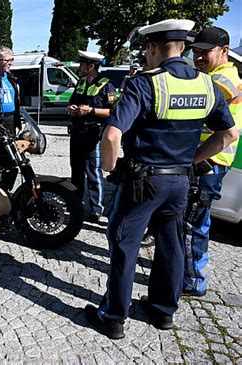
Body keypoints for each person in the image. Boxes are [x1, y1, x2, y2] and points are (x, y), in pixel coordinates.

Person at [83, 19, 238, 340]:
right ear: (182, 47)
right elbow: (227, 135)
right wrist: (191, 160)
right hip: (181, 182)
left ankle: (113, 316)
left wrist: (111, 170)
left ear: (152, 48)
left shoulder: (146, 84)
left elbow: (112, 135)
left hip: (142, 182)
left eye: (146, 50)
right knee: (172, 244)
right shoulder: (207, 85)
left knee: (125, 243)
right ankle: (163, 311)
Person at [183, 27, 242, 297]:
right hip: (208, 159)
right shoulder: (215, 75)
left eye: (204, 52)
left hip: (208, 162)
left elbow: (194, 109)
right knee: (192, 221)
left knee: (194, 224)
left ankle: (194, 281)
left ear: (224, 51)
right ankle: (183, 268)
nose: (197, 58)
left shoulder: (223, 79)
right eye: (195, 52)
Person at [67, 50, 116, 222]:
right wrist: (71, 109)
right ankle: (75, 203)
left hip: (93, 134)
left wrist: (91, 110)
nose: (79, 67)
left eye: (82, 64)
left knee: (94, 173)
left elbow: (113, 111)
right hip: (77, 133)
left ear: (91, 66)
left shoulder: (106, 85)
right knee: (76, 171)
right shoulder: (80, 82)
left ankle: (96, 209)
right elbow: (71, 102)